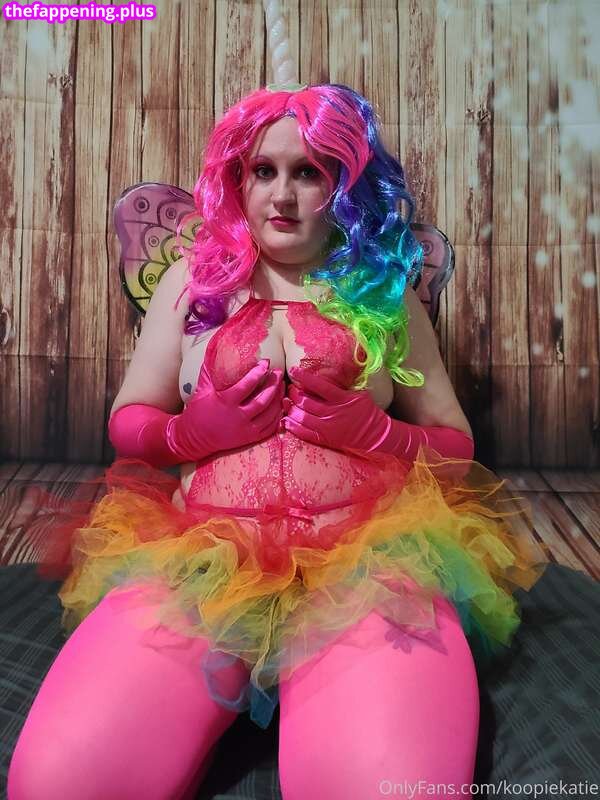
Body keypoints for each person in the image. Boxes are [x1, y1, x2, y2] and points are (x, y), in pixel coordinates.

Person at [8, 84, 548, 800]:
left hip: (365, 568)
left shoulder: (382, 293)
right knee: (62, 782)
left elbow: (454, 445)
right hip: (204, 560)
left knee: (390, 789)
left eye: (309, 173)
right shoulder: (193, 284)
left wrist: (378, 434)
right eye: (264, 171)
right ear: (238, 179)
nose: (282, 196)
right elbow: (129, 420)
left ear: (344, 186)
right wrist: (189, 430)